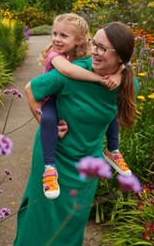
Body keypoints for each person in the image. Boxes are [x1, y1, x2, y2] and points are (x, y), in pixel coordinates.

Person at [14, 21, 137, 246]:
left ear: (120, 57)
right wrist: (44, 123)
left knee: (73, 221)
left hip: (87, 163)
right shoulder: (69, 75)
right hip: (54, 158)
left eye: (102, 48)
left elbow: (114, 111)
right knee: (41, 218)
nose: (94, 52)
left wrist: (120, 74)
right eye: (94, 44)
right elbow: (32, 89)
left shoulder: (126, 83)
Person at [37, 13, 128, 200]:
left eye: (63, 35)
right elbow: (68, 70)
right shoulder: (54, 54)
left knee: (111, 108)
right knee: (46, 120)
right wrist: (100, 79)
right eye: (54, 34)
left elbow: (125, 63)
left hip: (67, 99)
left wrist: (118, 74)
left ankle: (112, 149)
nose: (56, 39)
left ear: (78, 40)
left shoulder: (85, 55)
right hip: (50, 98)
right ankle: (49, 168)